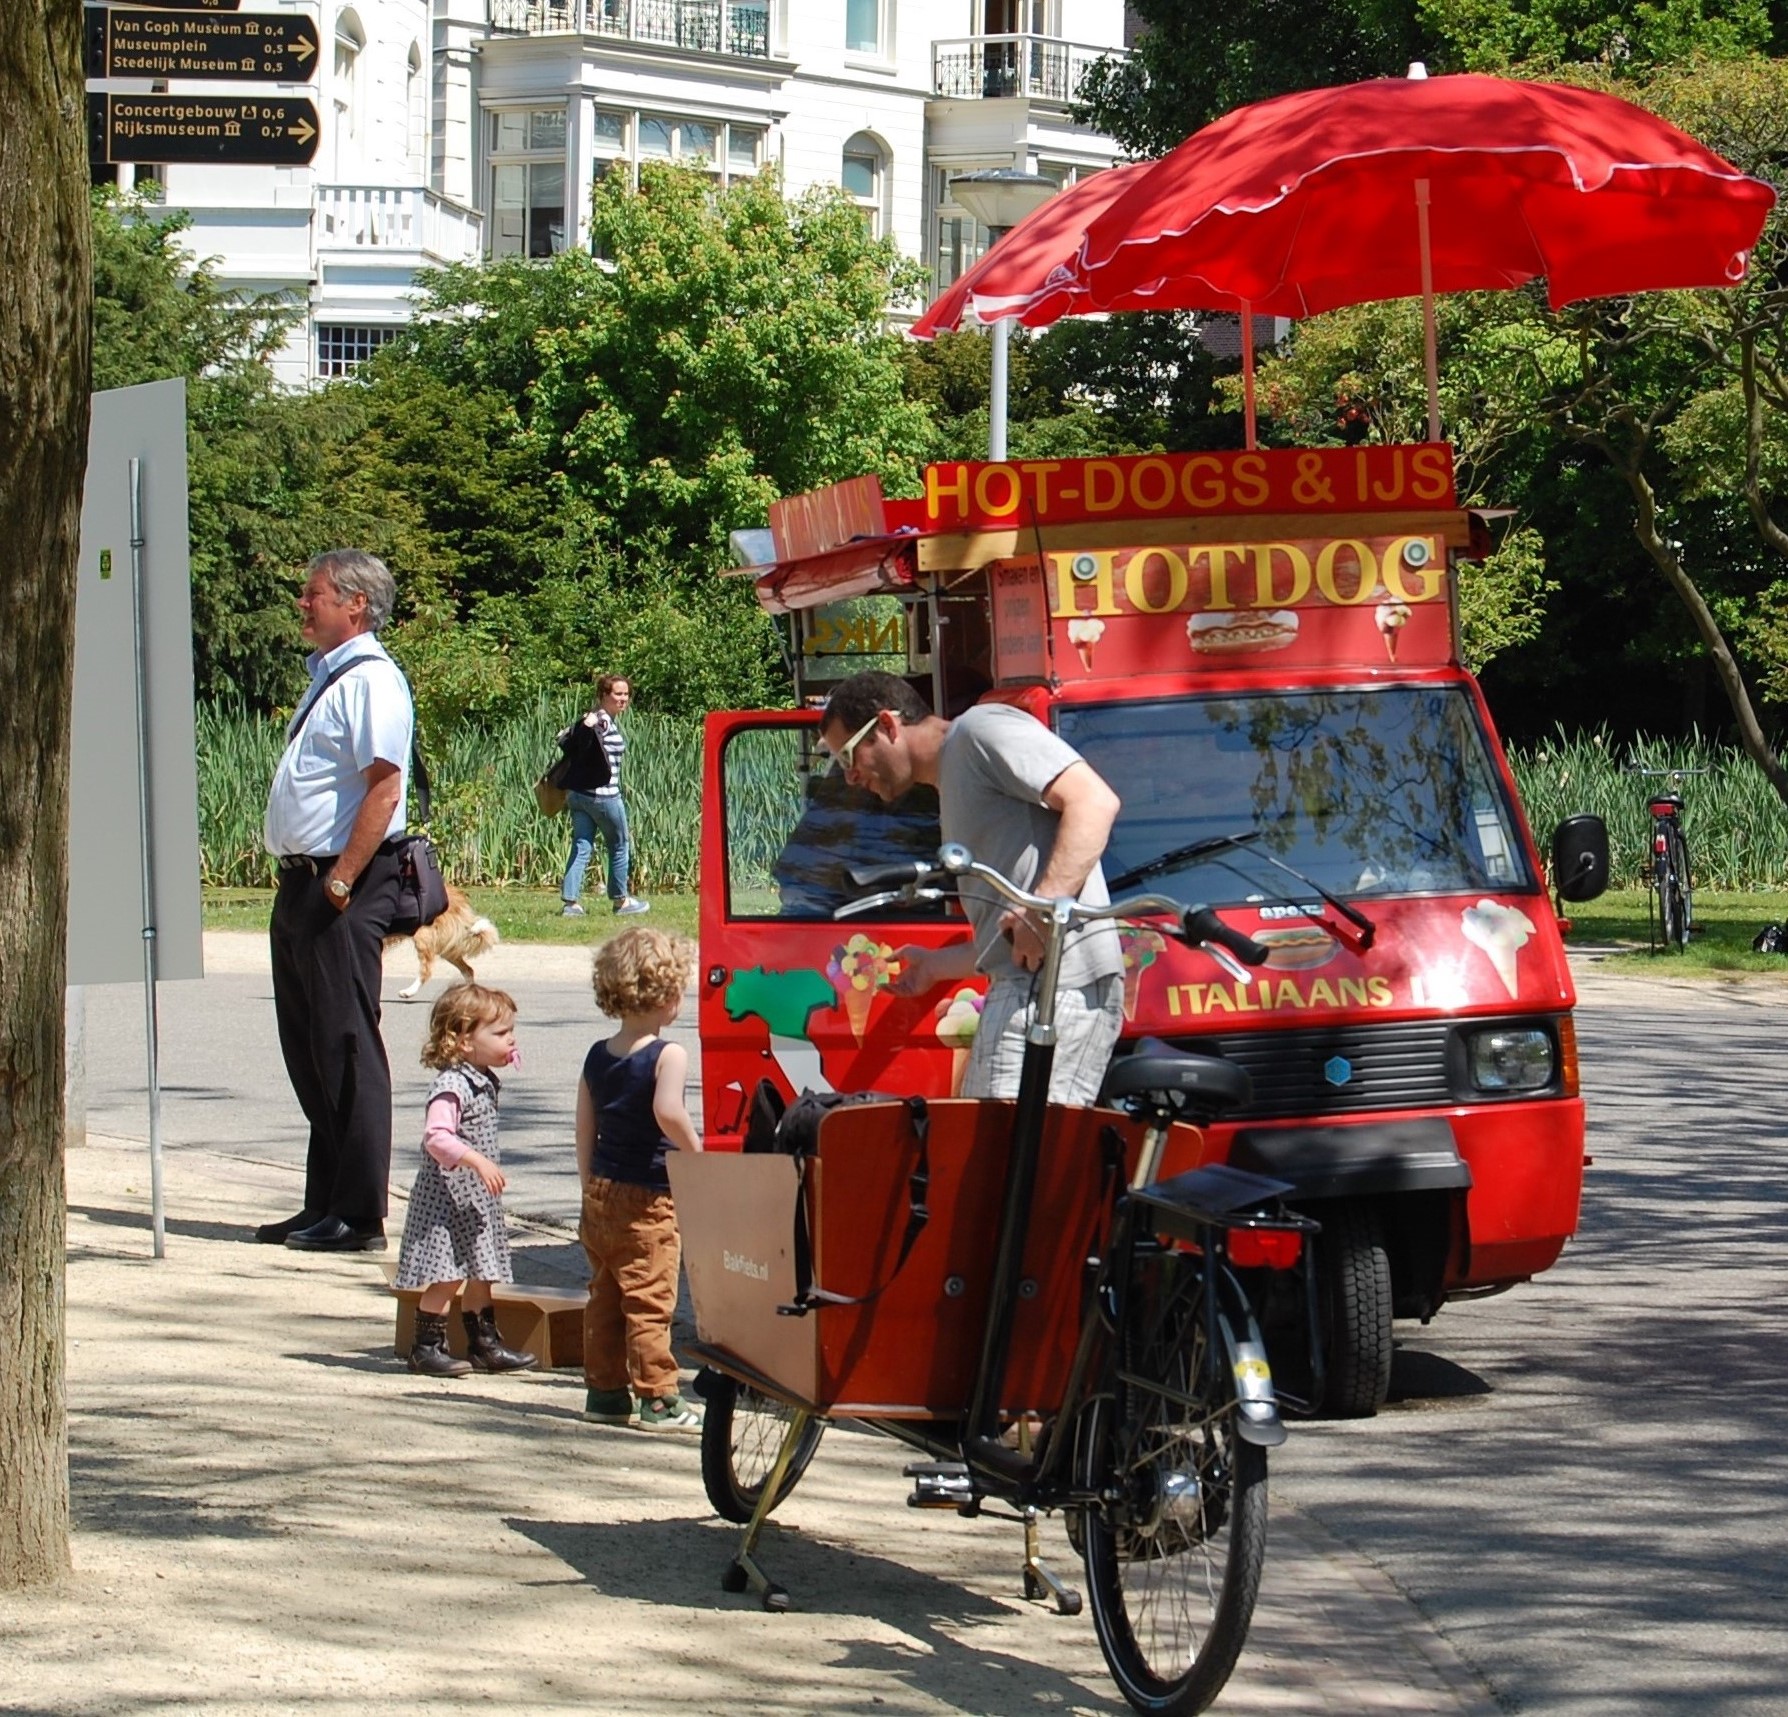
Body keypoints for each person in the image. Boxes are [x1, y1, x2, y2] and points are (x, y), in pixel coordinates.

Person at [818, 671, 1125, 1105]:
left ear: (887, 724)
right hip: (1024, 987)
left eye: (848, 756)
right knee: (988, 1159)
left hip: (1059, 989)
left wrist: (1040, 905)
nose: (849, 776)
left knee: (1017, 1164)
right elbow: (1012, 940)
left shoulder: (980, 730)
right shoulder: (953, 781)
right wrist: (935, 966)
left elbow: (1094, 800)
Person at [258, 549, 413, 1253]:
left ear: (355, 604)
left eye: (313, 594)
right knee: (309, 1046)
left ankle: (359, 1214)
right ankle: (323, 1200)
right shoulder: (332, 677)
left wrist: (344, 877)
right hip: (305, 878)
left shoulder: (373, 681)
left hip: (344, 879)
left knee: (346, 1043)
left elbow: (384, 784)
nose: (303, 604)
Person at [577, 926, 702, 1432]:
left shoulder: (597, 1053)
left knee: (605, 1294)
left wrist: (590, 1183)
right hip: (651, 1197)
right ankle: (657, 1397)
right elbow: (668, 1111)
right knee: (650, 1298)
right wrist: (697, 1154)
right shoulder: (667, 1054)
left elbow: (586, 1125)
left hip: (602, 1190)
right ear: (669, 996)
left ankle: (604, 1391)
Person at [394, 984, 537, 1379]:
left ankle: (484, 1343)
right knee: (447, 1271)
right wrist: (475, 1160)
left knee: (482, 1269)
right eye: (501, 1033)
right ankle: (426, 1347)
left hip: (475, 1199)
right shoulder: (452, 1084)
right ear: (462, 1040)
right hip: (447, 1197)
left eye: (511, 1031)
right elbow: (437, 1136)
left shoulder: (482, 1077)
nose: (511, 1039)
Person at [558, 674, 649, 918]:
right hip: (604, 797)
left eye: (626, 694)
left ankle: (571, 903)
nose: (622, 699)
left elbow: (563, 737)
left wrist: (584, 725)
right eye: (617, 694)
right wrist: (586, 726)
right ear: (603, 696)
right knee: (619, 845)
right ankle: (621, 901)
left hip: (578, 796)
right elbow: (576, 736)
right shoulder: (601, 721)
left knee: (582, 845)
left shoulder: (596, 719)